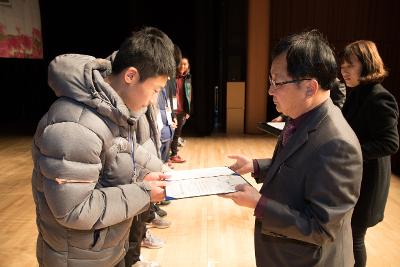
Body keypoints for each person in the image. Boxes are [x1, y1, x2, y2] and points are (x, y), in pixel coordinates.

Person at [31, 26, 175, 267]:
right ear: (130, 76)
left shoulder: (115, 111)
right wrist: (144, 193)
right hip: (77, 259)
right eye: (155, 91)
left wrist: (154, 172)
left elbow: (120, 153)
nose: (152, 101)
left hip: (105, 248)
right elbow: (74, 209)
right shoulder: (74, 126)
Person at [222, 30, 363, 267]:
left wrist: (260, 204)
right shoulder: (306, 116)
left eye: (277, 83)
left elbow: (321, 229)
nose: (270, 91)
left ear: (310, 87)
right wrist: (257, 165)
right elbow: (303, 167)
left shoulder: (337, 144)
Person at [340, 40, 399, 267]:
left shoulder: (379, 97)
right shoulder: (356, 94)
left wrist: (350, 153)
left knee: (355, 237)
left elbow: (390, 143)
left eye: (350, 65)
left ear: (367, 64)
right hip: (356, 176)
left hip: (369, 181)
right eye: (342, 66)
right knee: (348, 234)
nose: (344, 71)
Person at [169, 57, 192, 163]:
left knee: (177, 134)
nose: (183, 66)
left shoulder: (187, 78)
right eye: (181, 64)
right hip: (171, 110)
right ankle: (167, 156)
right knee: (169, 134)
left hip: (182, 111)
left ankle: (173, 155)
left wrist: (188, 111)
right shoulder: (171, 77)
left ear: (188, 66)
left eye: (185, 64)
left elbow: (189, 96)